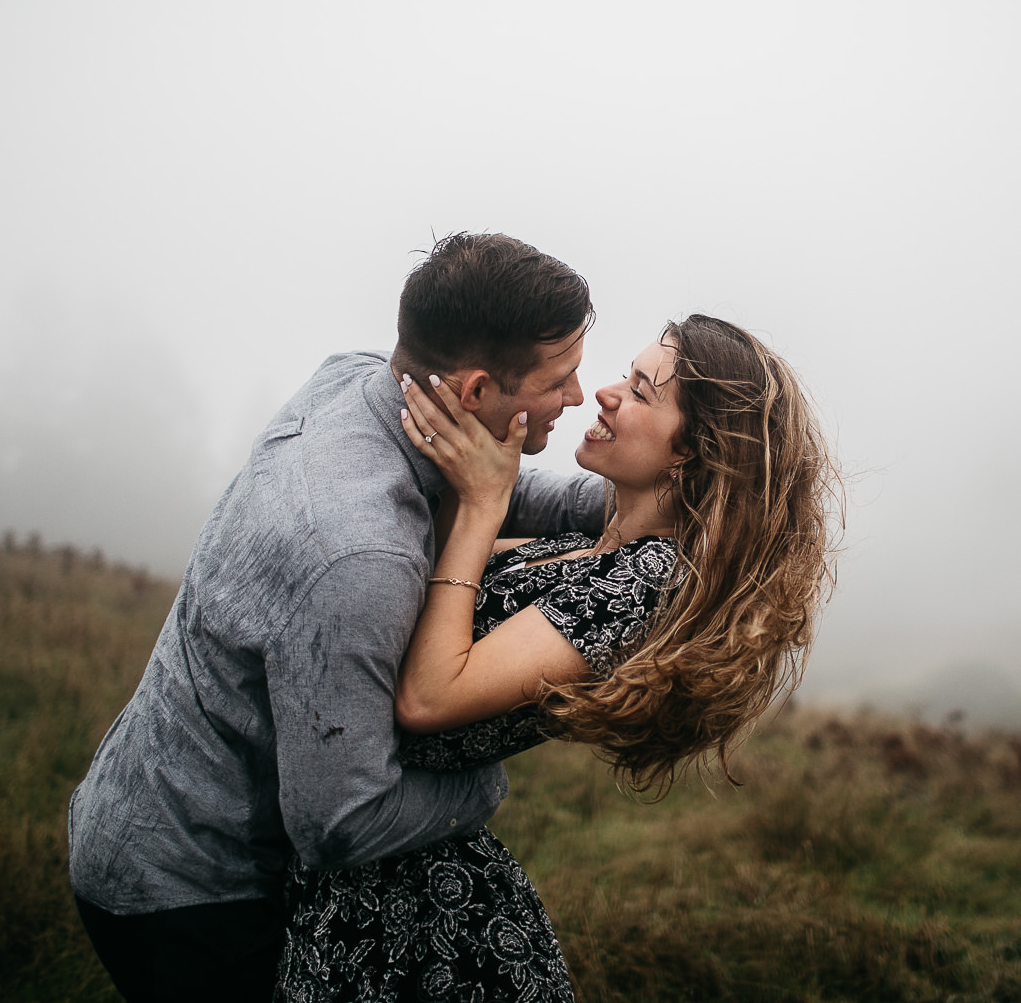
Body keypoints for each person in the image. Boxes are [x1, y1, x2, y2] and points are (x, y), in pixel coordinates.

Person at [68, 233, 609, 1002]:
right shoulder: (358, 555)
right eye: (559, 379)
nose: (579, 397)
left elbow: (486, 480)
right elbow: (342, 823)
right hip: (186, 891)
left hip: (152, 820)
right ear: (476, 393)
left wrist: (632, 505)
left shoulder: (362, 382)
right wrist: (483, 786)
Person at [274, 315, 838, 1001]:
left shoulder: (646, 584)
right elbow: (437, 575)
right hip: (382, 873)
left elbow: (427, 696)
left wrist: (485, 504)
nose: (604, 394)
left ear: (691, 451)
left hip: (426, 931)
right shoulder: (597, 548)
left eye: (638, 391)